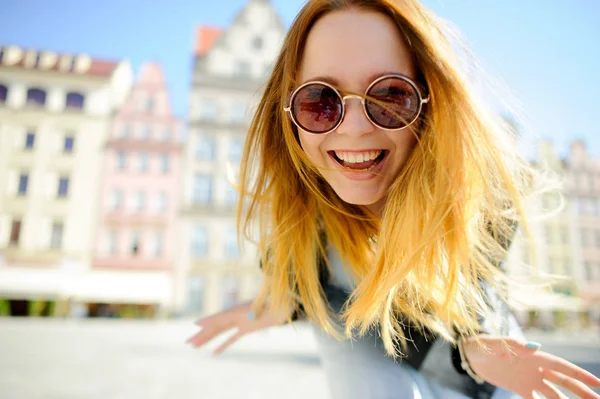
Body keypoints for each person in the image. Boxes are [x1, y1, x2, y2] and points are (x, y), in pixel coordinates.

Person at [187, 1, 600, 398]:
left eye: (388, 96)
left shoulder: (481, 192)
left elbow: (476, 305)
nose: (353, 129)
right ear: (289, 114)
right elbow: (315, 291)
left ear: (430, 102)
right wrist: (291, 299)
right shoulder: (301, 216)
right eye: (320, 101)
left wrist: (473, 352)